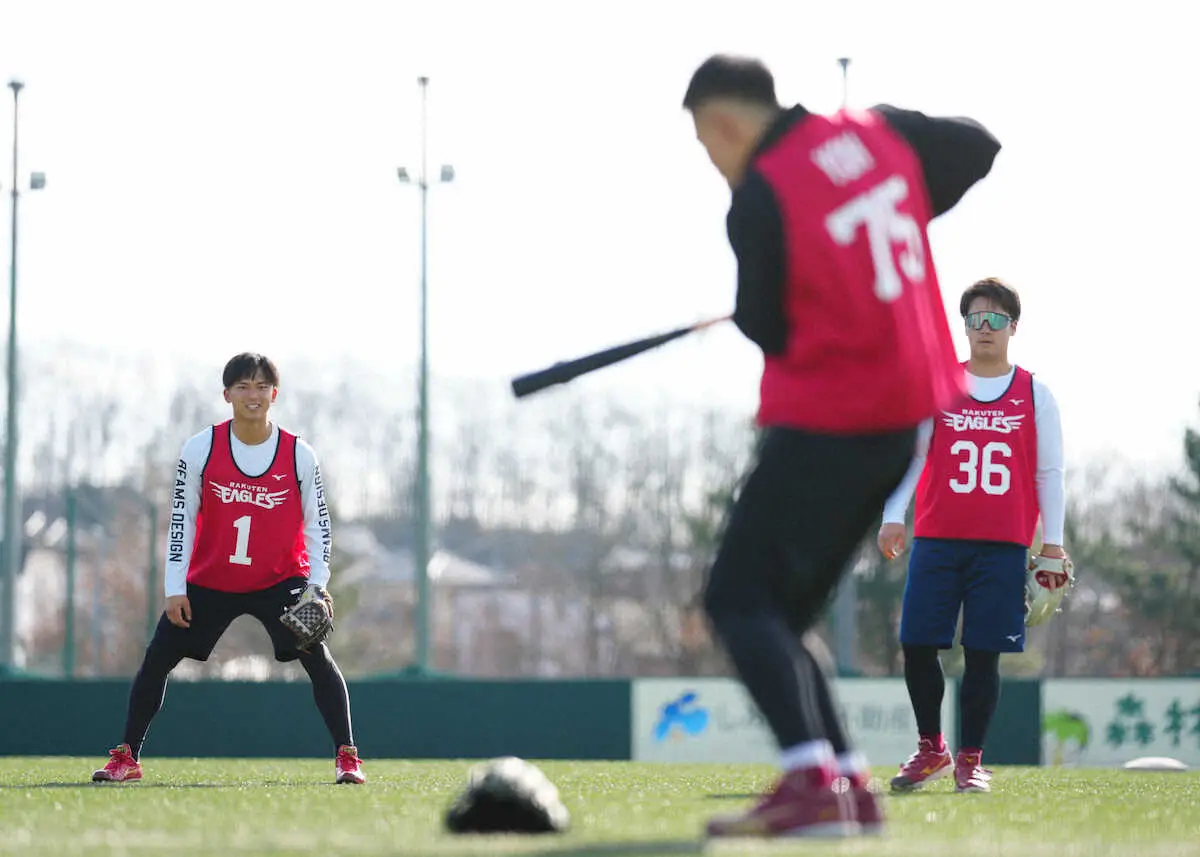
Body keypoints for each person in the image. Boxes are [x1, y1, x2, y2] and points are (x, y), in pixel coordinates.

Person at [682, 54, 1001, 838]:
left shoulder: (759, 197)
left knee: (736, 597)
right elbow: (977, 144)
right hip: (905, 418)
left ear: (723, 122)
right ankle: (846, 785)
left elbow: (770, 326)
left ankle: (808, 777)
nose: (714, 161)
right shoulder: (878, 133)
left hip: (831, 417)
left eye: (705, 144)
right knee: (780, 615)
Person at [91, 352, 365, 785]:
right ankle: (127, 758)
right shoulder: (201, 448)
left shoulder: (298, 453)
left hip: (280, 579)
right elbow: (181, 518)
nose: (252, 395)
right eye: (242, 387)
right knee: (158, 657)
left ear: (274, 395)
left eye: (260, 387)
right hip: (213, 578)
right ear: (227, 395)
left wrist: (317, 585)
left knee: (316, 655)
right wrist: (174, 588)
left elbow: (318, 523)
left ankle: (348, 757)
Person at [878, 277, 1066, 794]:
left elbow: (1050, 474)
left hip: (1003, 545)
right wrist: (893, 515)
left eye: (996, 320)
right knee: (917, 643)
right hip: (938, 538)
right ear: (964, 327)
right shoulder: (937, 383)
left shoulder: (1035, 393)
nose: (984, 329)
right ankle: (930, 748)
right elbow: (913, 457)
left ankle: (970, 760)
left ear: (1013, 327)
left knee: (983, 652)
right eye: (975, 320)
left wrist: (1053, 544)